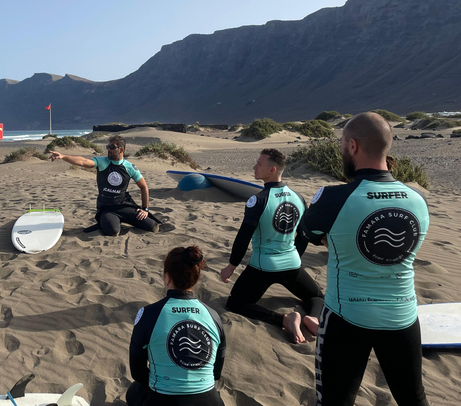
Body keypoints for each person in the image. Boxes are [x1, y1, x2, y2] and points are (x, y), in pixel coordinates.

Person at [299, 112, 430, 406]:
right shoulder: (417, 199)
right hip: (402, 316)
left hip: (347, 317)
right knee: (413, 398)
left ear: (353, 146)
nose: (341, 150)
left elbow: (308, 231)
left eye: (342, 144)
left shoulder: (333, 198)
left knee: (334, 401)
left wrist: (331, 238)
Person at [219, 149, 323, 344]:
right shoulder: (298, 198)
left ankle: (283, 319)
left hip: (262, 267)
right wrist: (296, 258)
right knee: (316, 297)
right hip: (292, 266)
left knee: (236, 303)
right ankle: (314, 318)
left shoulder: (258, 200)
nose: (254, 167)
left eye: (259, 164)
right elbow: (303, 236)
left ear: (272, 169)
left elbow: (243, 237)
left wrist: (230, 267)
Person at [127, 246, 226, 406]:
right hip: (208, 400)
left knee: (134, 391)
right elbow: (216, 373)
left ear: (167, 278)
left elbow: (137, 373)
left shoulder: (148, 314)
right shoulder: (213, 315)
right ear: (196, 278)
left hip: (164, 400)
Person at [49, 135, 159, 236]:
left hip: (125, 205)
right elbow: (83, 161)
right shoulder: (102, 162)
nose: (108, 149)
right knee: (112, 231)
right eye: (108, 146)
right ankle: (107, 220)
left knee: (152, 227)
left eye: (112, 147)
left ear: (121, 150)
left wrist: (145, 209)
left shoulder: (129, 167)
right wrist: (63, 156)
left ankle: (121, 219)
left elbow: (144, 187)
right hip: (107, 208)